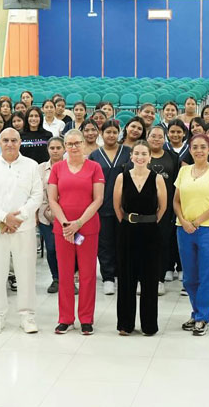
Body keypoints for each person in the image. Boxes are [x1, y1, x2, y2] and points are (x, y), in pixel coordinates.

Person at [0, 128, 43, 335]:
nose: (9, 144)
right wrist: (5, 217)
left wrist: (18, 218)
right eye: (5, 140)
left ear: (20, 142)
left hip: (24, 228)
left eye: (14, 140)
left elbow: (36, 196)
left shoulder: (31, 166)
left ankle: (27, 316)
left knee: (26, 273)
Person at [48, 129, 105, 335]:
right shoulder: (57, 168)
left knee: (88, 274)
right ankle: (66, 318)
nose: (73, 147)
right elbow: (52, 199)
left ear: (84, 144)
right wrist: (65, 224)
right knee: (64, 275)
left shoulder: (95, 167)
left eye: (77, 143)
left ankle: (86, 318)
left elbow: (98, 199)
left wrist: (78, 223)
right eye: (69, 144)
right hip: (63, 230)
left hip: (87, 228)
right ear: (64, 146)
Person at [174, 133, 209, 336]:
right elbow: (176, 201)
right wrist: (184, 220)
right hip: (183, 229)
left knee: (206, 275)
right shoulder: (184, 171)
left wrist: (196, 222)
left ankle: (203, 317)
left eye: (202, 147)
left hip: (207, 230)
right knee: (189, 277)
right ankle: (195, 312)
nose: (198, 150)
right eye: (195, 147)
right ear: (190, 149)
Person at [113, 140, 167, 335]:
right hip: (128, 231)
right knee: (126, 278)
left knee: (149, 280)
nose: (140, 157)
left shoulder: (157, 179)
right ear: (131, 156)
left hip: (150, 232)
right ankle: (125, 324)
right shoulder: (122, 177)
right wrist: (130, 222)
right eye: (137, 153)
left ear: (149, 157)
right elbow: (117, 207)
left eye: (144, 154)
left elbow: (163, 208)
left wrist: (148, 222)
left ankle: (149, 325)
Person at [89, 120, 132, 295]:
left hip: (125, 207)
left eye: (115, 132)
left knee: (124, 243)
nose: (111, 135)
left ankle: (123, 275)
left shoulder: (128, 153)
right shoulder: (94, 155)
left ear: (119, 133)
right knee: (105, 243)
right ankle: (108, 277)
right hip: (103, 207)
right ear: (102, 134)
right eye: (108, 132)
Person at [146, 126, 181, 291]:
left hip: (165, 210)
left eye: (160, 137)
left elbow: (176, 184)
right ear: (147, 137)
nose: (156, 139)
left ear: (165, 139)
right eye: (153, 136)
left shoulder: (172, 157)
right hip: (143, 208)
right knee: (143, 245)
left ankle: (159, 279)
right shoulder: (140, 155)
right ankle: (142, 278)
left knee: (162, 243)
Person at [38, 137, 69, 295]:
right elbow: (35, 192)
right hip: (45, 216)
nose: (55, 151)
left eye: (58, 147)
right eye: (52, 148)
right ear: (48, 149)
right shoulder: (40, 169)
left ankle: (68, 279)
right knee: (51, 248)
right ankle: (56, 278)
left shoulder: (70, 166)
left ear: (64, 149)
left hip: (67, 216)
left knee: (68, 249)